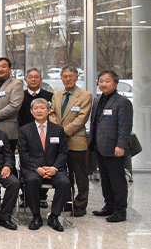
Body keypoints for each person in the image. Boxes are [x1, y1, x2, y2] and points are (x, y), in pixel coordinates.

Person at [17, 98, 71, 232]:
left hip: (54, 168)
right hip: (33, 168)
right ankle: (36, 216)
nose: (39, 111)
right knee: (31, 180)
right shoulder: (24, 130)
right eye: (36, 108)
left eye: (42, 108)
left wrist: (54, 168)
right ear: (31, 111)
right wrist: (37, 168)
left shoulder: (58, 130)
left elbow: (63, 152)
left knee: (64, 182)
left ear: (49, 110)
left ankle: (54, 216)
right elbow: (23, 154)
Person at [90, 70, 133, 223]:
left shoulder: (122, 102)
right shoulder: (97, 100)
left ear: (115, 83)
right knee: (105, 179)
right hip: (99, 146)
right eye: (101, 81)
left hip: (115, 148)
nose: (103, 84)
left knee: (117, 181)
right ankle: (109, 206)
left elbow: (125, 127)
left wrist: (121, 145)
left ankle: (120, 211)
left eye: (107, 81)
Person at [49, 65, 92, 216]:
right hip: (58, 142)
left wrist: (62, 132)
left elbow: (82, 118)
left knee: (80, 175)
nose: (68, 79)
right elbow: (51, 113)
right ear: (61, 78)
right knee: (63, 174)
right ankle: (66, 201)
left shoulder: (85, 95)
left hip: (76, 141)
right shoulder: (56, 95)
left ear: (77, 77)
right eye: (65, 76)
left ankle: (80, 204)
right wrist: (57, 130)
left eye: (71, 76)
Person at [0, 57, 24, 154]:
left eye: (3, 67)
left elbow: (14, 106)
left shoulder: (16, 84)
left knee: (7, 159)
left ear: (10, 69)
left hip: (8, 131)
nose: (0, 69)